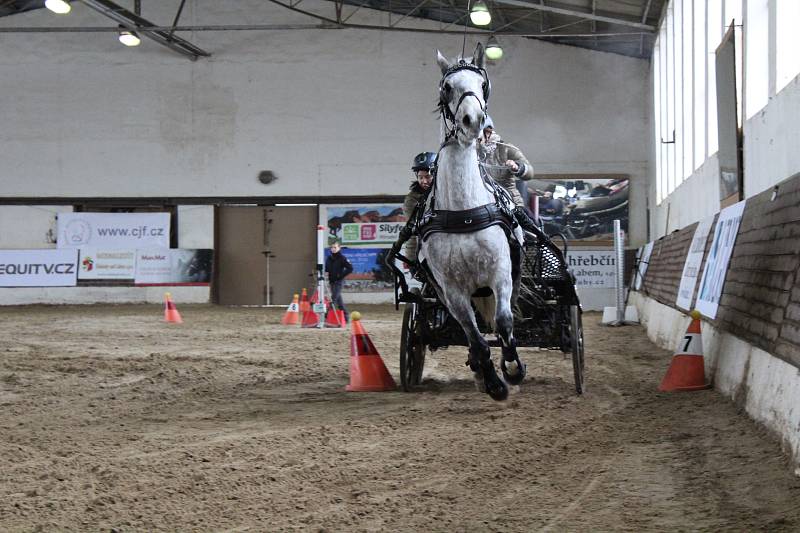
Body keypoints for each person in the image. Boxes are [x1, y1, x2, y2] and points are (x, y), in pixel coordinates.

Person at [477, 116, 540, 233]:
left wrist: (517, 167)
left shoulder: (507, 149)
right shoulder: (471, 153)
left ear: (488, 133)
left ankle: (536, 242)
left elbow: (530, 172)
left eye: (478, 135)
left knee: (529, 225)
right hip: (480, 202)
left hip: (507, 199)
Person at [402, 151, 436, 262]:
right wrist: (410, 258)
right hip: (428, 247)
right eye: (420, 177)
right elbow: (412, 229)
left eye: (428, 177)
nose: (424, 181)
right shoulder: (412, 200)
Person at [325, 241, 353, 322]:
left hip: (338, 282)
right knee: (339, 301)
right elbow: (327, 269)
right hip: (331, 281)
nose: (333, 249)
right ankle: (346, 316)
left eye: (335, 247)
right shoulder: (329, 258)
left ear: (339, 248)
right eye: (332, 247)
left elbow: (350, 268)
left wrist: (340, 276)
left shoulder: (342, 258)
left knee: (333, 298)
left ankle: (326, 313)